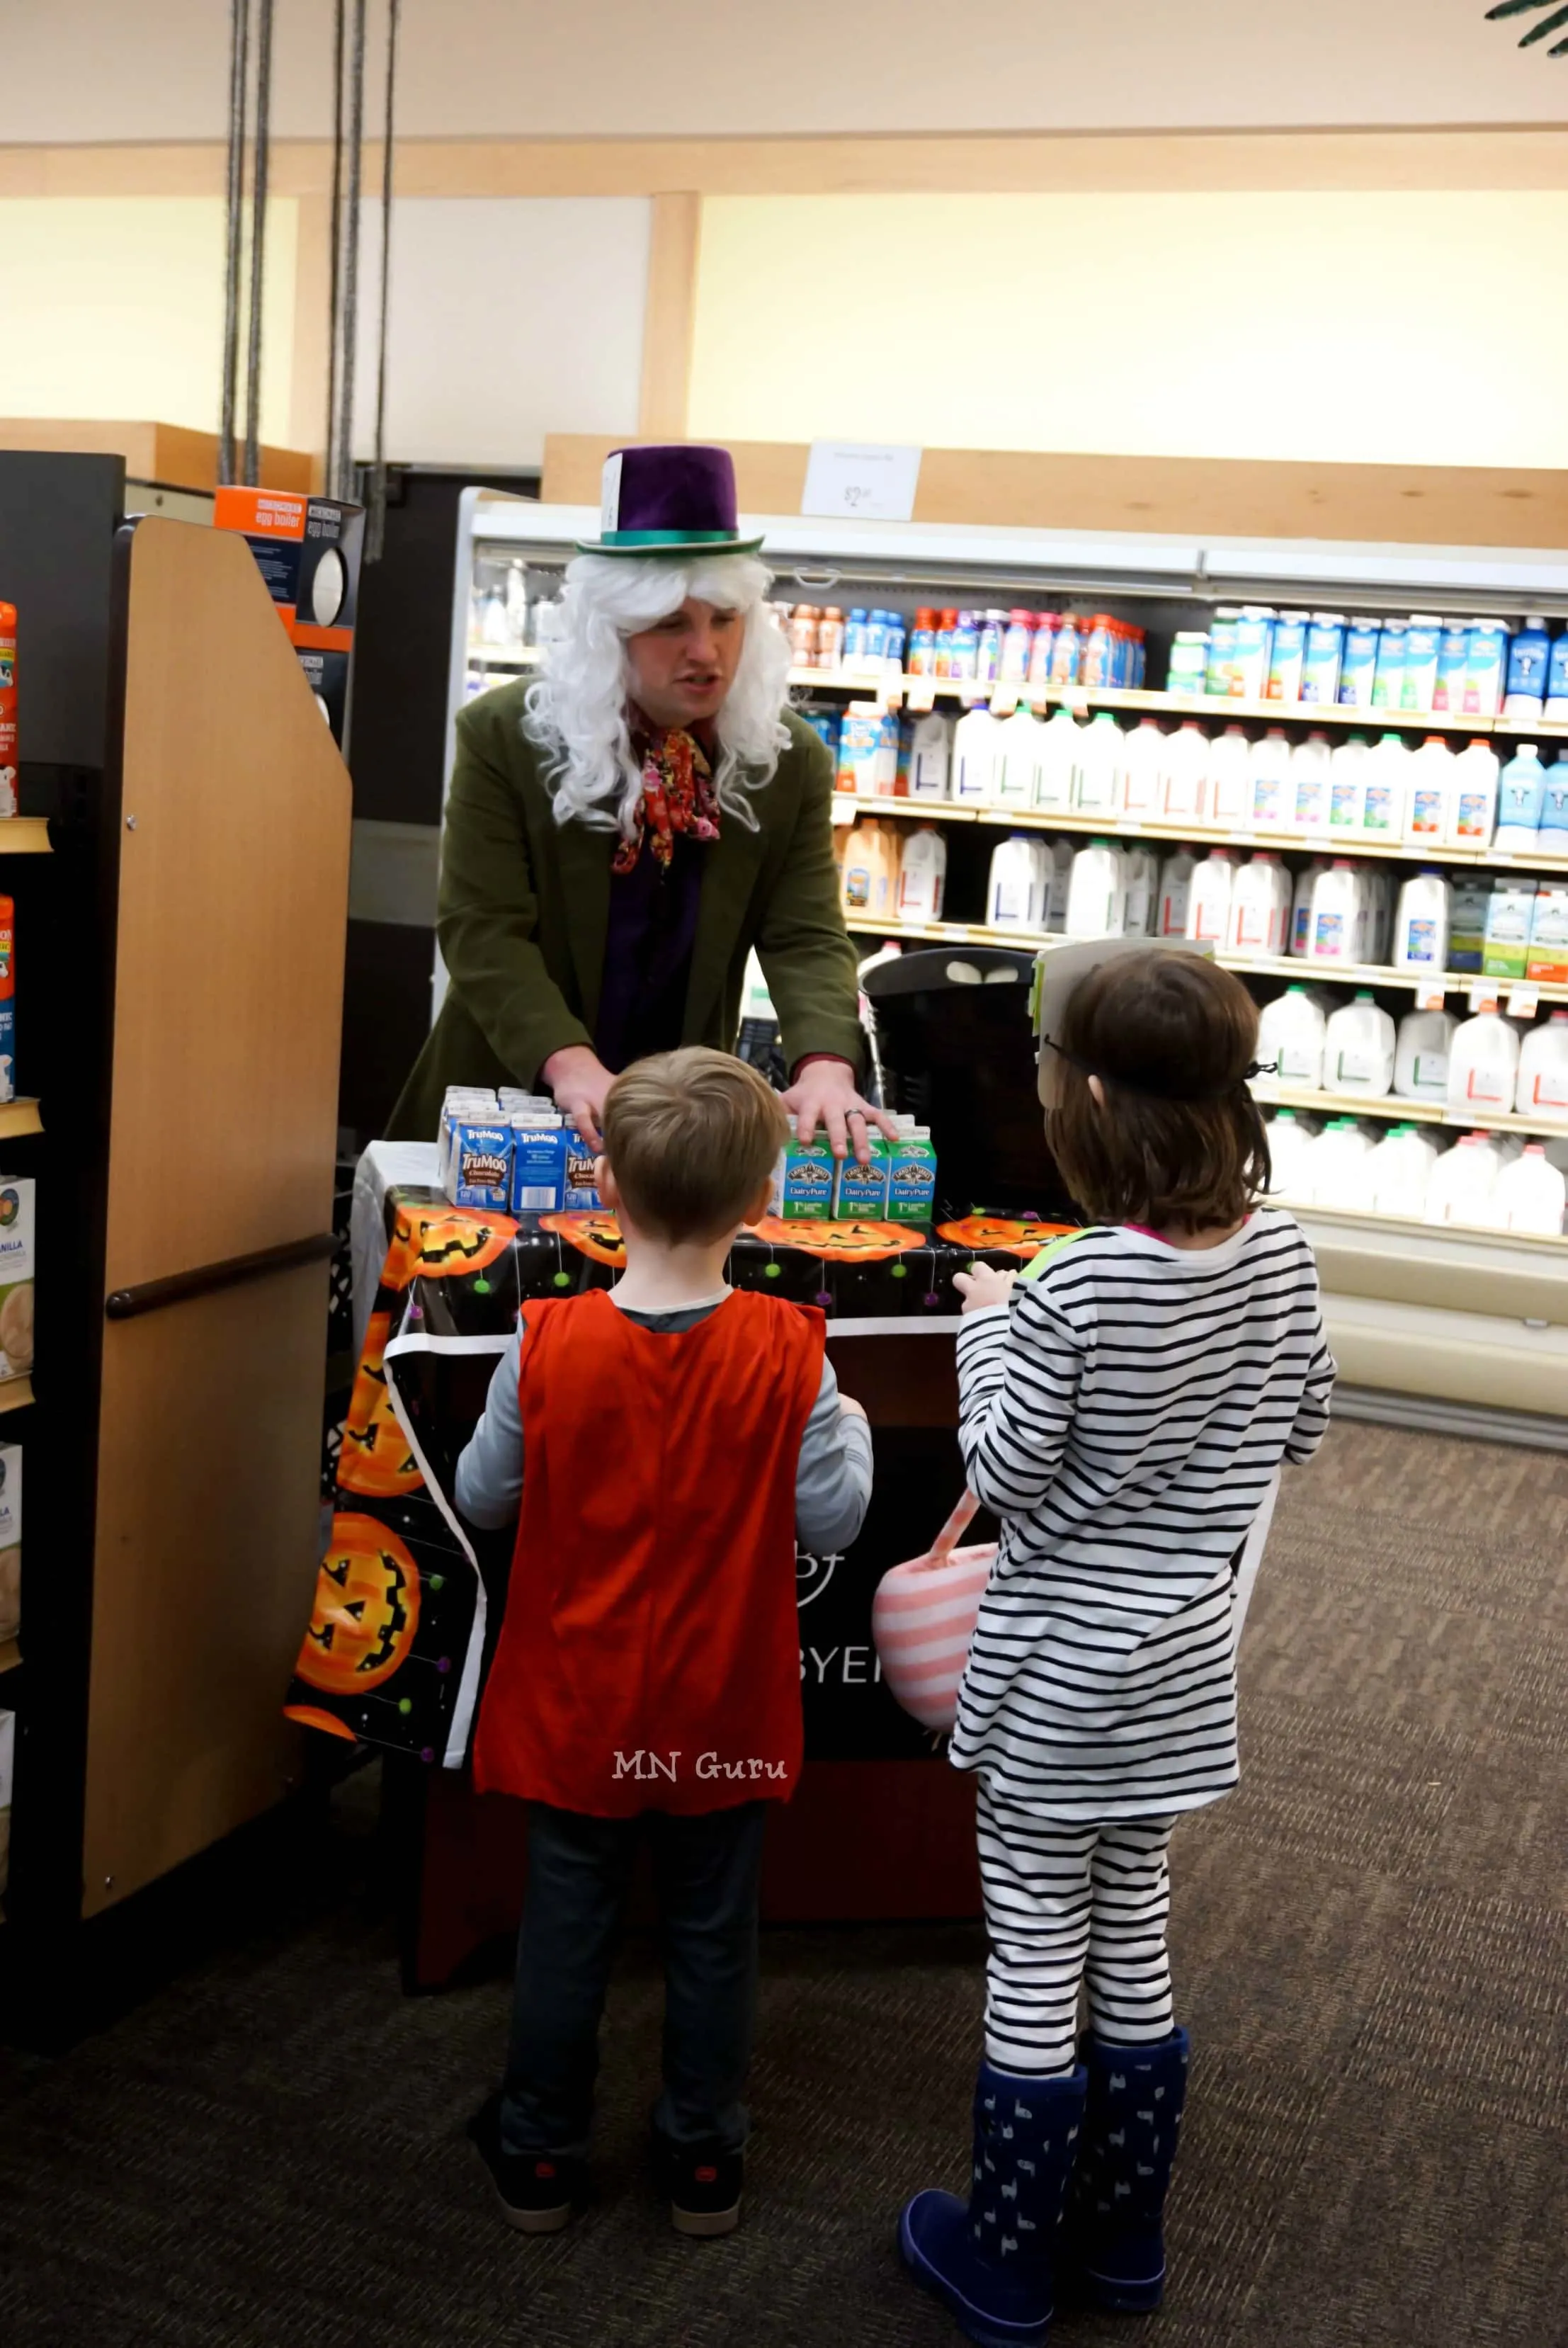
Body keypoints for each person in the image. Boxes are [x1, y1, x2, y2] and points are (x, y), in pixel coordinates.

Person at [899, 946, 1335, 2348]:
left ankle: (1011, 2254)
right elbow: (1305, 1418)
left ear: (1082, 1098)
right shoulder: (1282, 1249)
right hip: (1178, 1680)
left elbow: (1008, 1468)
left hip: (1053, 1688)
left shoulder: (1073, 1285)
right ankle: (1128, 2238)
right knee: (1134, 1930)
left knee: (1031, 1950)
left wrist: (984, 1335)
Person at [453, 1048, 873, 2239]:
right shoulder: (795, 1350)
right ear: (763, 1199)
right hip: (721, 1705)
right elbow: (832, 1523)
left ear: (602, 1183)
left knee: (565, 1932)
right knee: (710, 1938)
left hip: (574, 1704)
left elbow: (487, 1498)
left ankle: (537, 2152)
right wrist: (838, 1416)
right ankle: (702, 2160)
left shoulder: (543, 1339)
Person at [389, 442, 893, 1164]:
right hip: (505, 1112)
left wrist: (825, 1068)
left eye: (724, 619)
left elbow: (805, 934)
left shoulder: (784, 759)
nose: (706, 651)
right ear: (609, 632)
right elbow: (483, 930)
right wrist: (570, 1064)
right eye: (670, 624)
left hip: (679, 1129)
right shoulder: (508, 738)